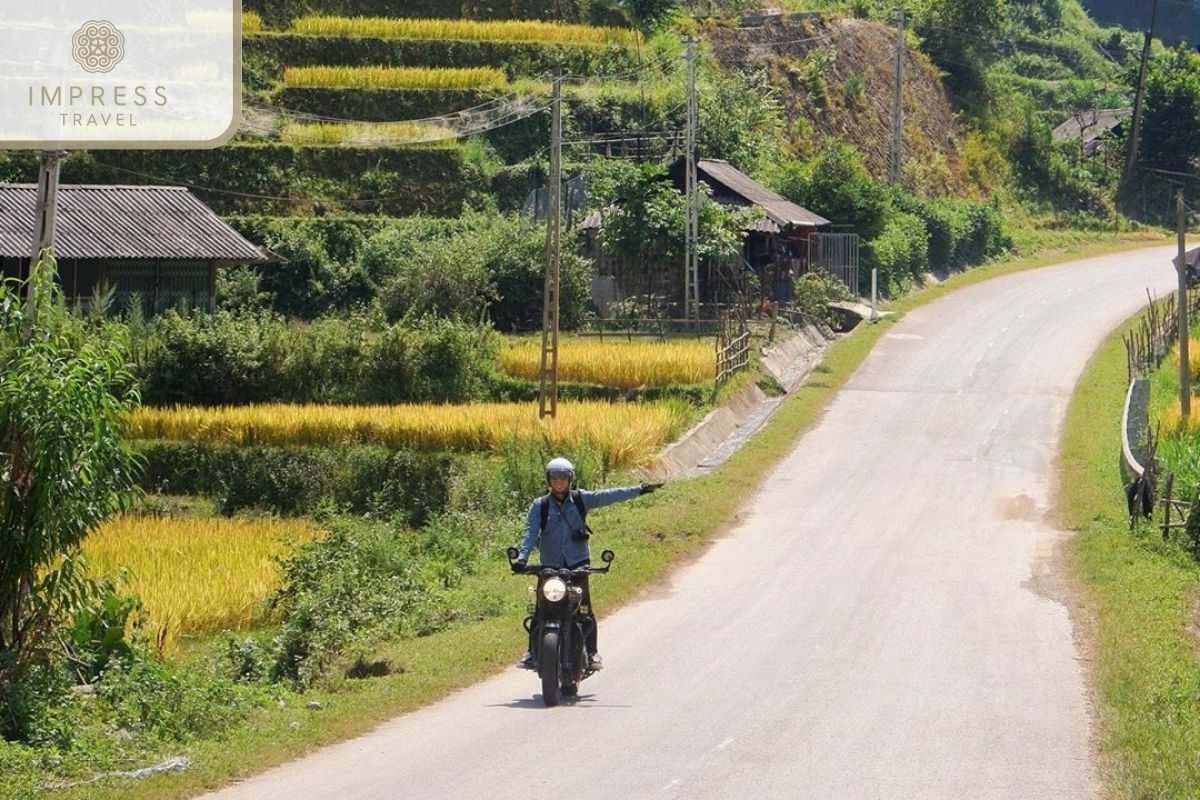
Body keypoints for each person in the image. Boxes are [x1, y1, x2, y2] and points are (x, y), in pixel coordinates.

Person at [514, 457, 662, 671]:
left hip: (577, 564)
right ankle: (531, 652)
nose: (558, 483)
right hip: (550, 566)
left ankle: (592, 653)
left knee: (584, 610)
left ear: (570, 479)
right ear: (548, 480)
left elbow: (609, 496)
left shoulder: (581, 499)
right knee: (542, 609)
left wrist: (639, 489)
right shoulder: (540, 506)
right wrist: (522, 558)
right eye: (554, 478)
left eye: (563, 478)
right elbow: (530, 533)